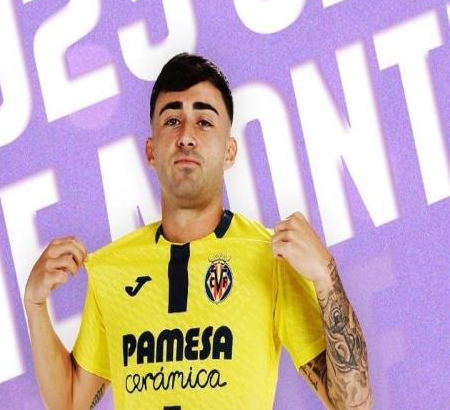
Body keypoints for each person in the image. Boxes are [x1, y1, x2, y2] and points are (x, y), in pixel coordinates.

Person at [24, 53, 373, 409]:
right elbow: (70, 402)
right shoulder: (111, 269)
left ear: (229, 152)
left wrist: (326, 275)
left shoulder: (270, 259)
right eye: (172, 120)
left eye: (204, 122)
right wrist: (35, 304)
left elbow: (353, 404)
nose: (187, 136)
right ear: (151, 151)